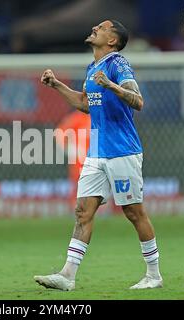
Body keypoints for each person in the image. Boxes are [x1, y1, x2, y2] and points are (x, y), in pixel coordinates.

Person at [34, 19, 163, 290]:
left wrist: (112, 86)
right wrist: (56, 84)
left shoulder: (118, 64)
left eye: (102, 27)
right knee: (83, 211)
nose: (95, 27)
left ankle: (154, 275)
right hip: (96, 153)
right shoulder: (93, 68)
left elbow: (137, 101)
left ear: (113, 40)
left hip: (122, 151)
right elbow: (84, 103)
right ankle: (67, 275)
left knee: (133, 212)